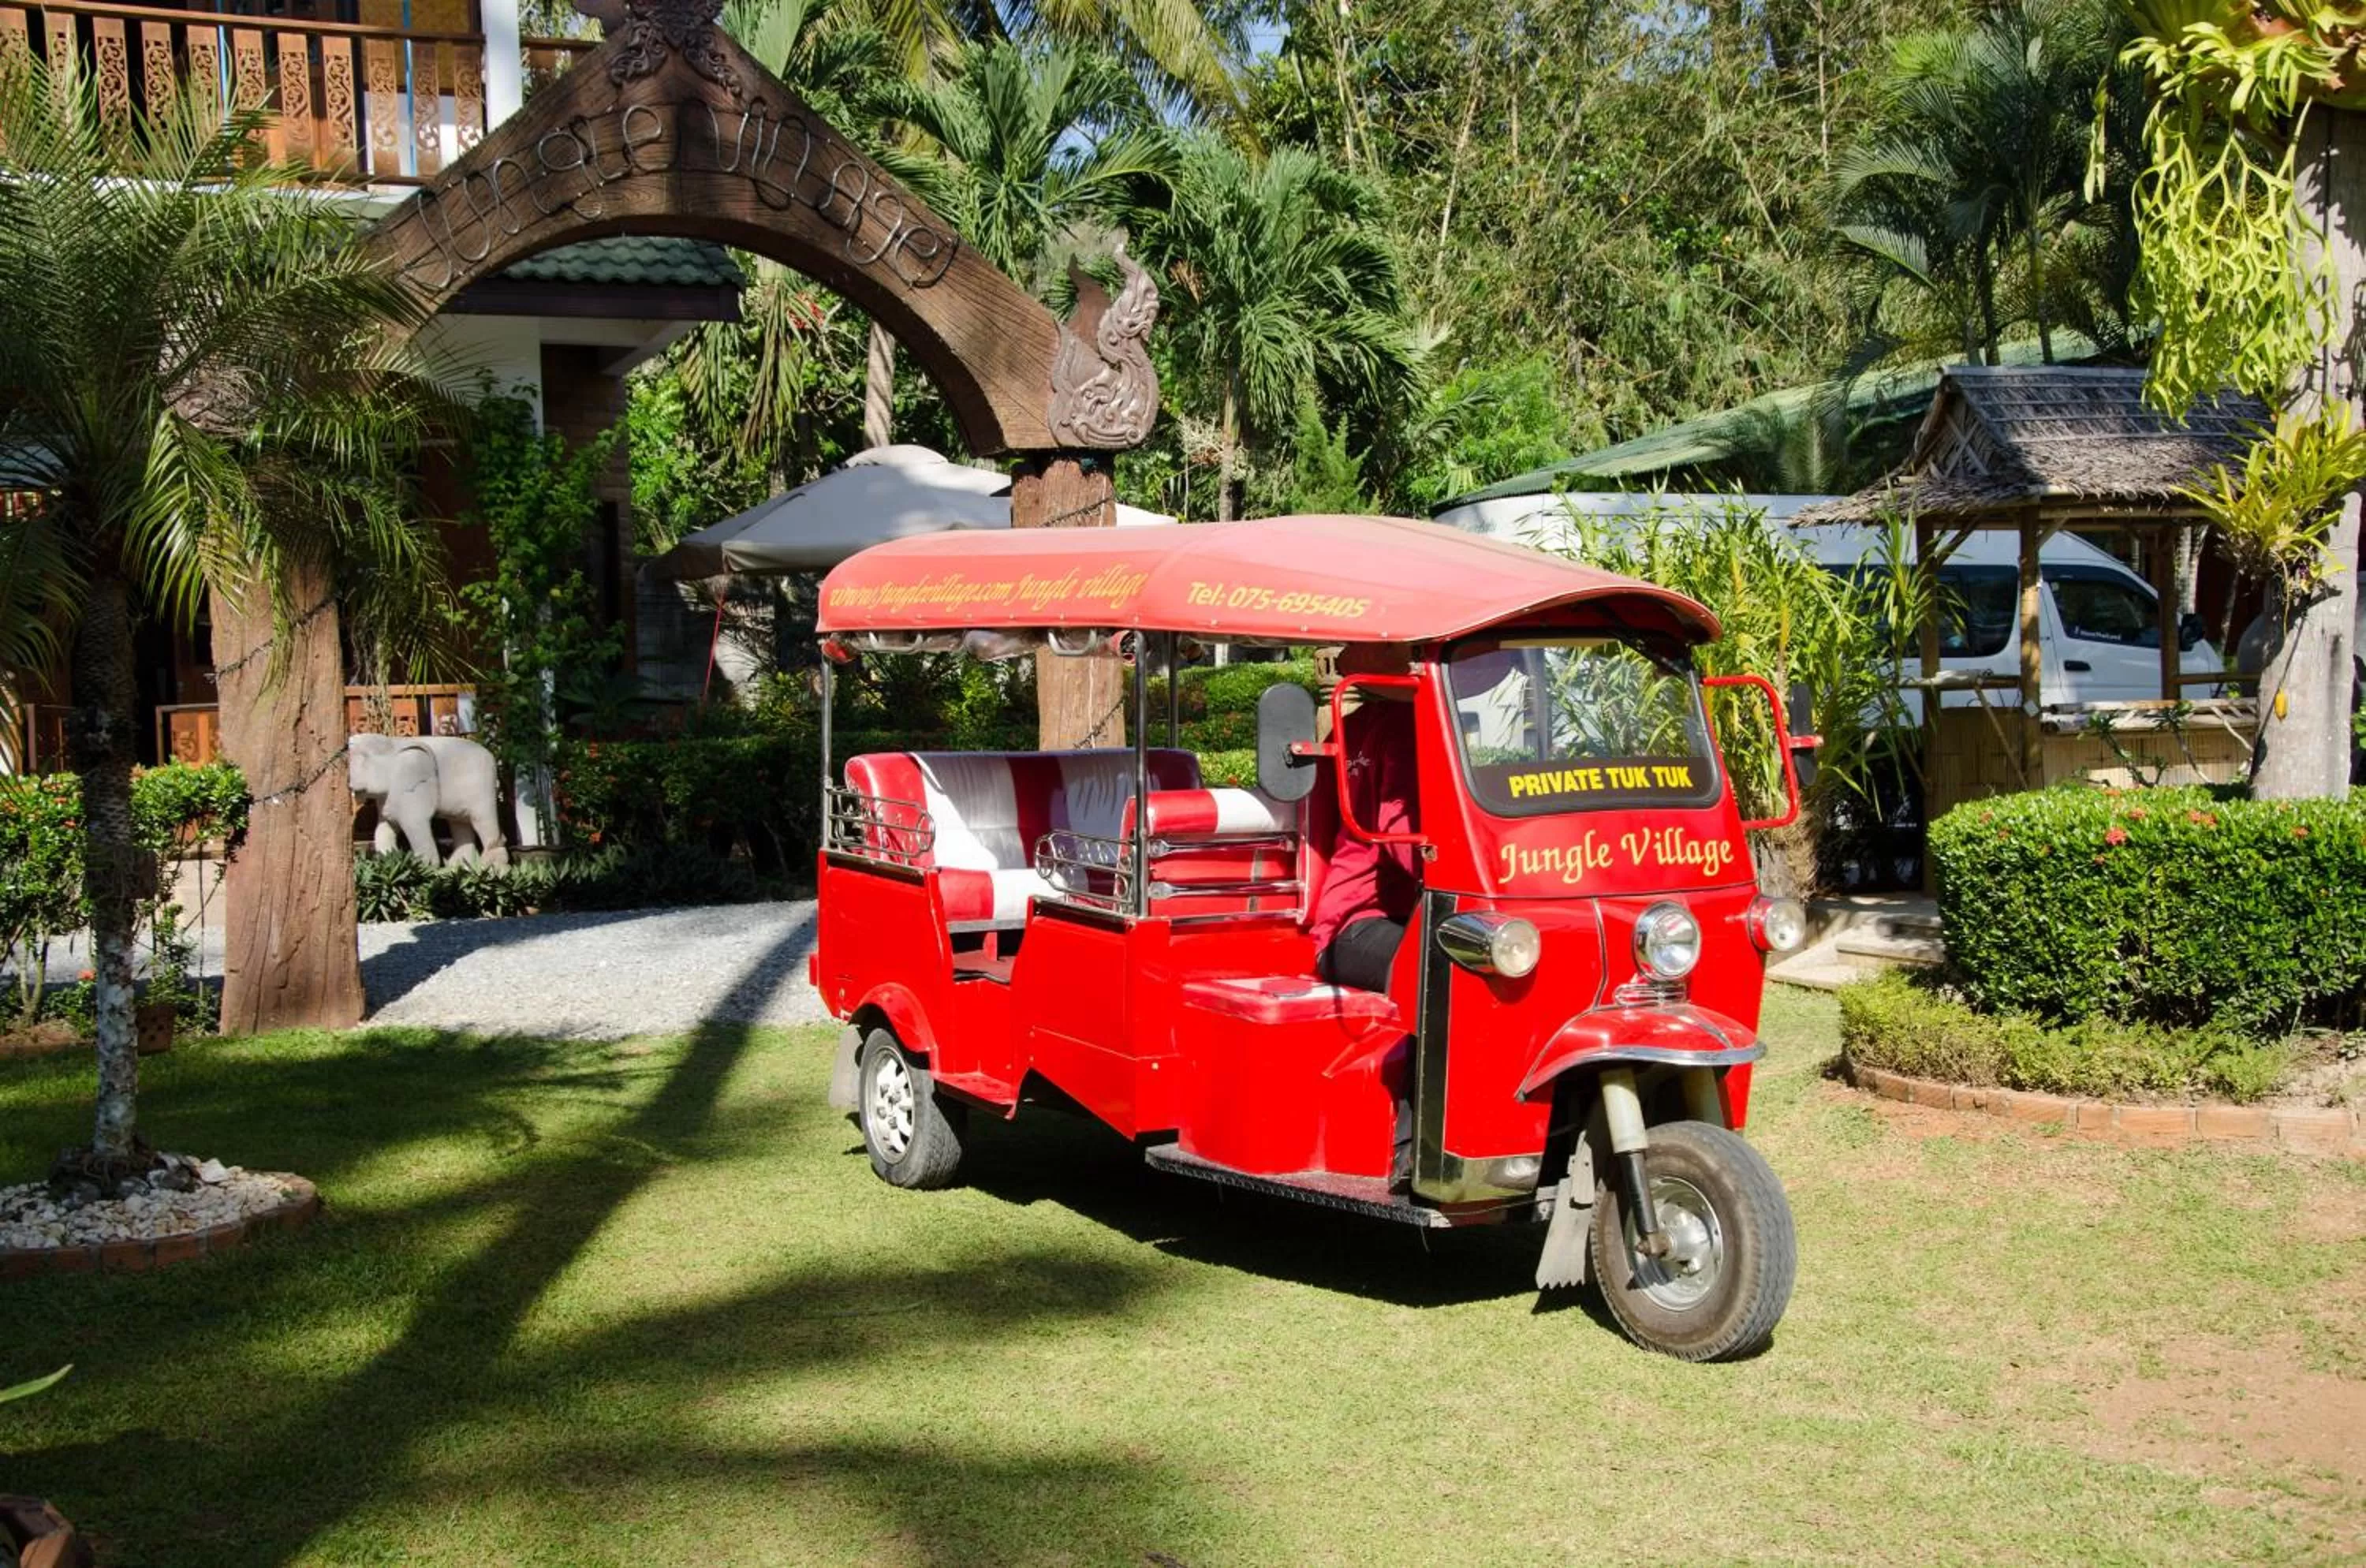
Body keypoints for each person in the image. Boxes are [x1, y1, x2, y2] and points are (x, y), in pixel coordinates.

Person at [1308, 642, 1422, 993]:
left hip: (1342, 914)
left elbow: (1320, 822)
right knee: (1447, 973)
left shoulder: (1349, 728)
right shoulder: (1408, 729)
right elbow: (1400, 833)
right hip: (1362, 919)